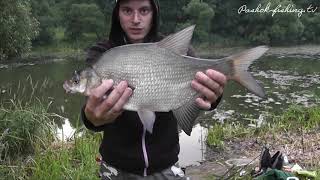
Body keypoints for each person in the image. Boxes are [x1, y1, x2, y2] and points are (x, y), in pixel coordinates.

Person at [81, 0, 226, 179]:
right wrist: (90, 118)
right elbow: (91, 107)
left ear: (154, 13)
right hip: (115, 166)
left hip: (166, 164)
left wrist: (213, 97)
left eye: (144, 10)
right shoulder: (102, 53)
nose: (136, 19)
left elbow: (204, 93)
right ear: (117, 13)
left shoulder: (178, 50)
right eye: (127, 10)